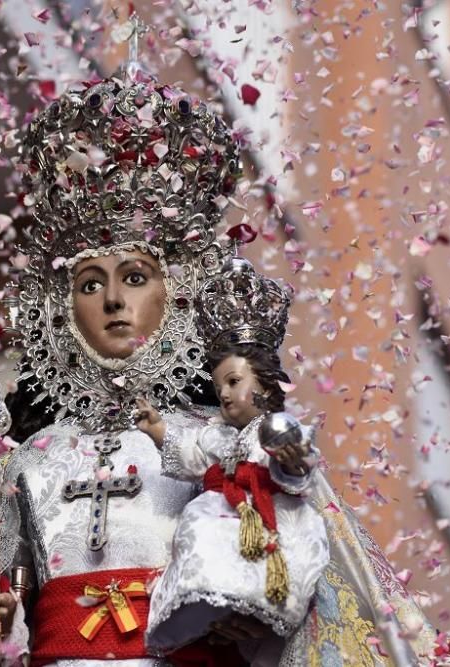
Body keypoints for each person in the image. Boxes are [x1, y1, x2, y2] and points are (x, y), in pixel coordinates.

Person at [0, 18, 435, 667]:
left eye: (133, 276)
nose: (114, 300)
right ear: (63, 306)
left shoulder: (217, 440)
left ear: (174, 292)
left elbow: (295, 591)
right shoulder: (25, 459)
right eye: (90, 283)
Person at [133, 260, 329, 665]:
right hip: (224, 514)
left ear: (264, 382)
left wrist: (290, 462)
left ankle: (259, 604)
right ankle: (208, 603)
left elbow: (299, 469)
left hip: (270, 516)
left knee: (274, 559)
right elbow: (190, 454)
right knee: (201, 538)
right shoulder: (218, 435)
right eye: (219, 384)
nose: (223, 393)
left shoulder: (278, 427)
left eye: (234, 382)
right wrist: (158, 431)